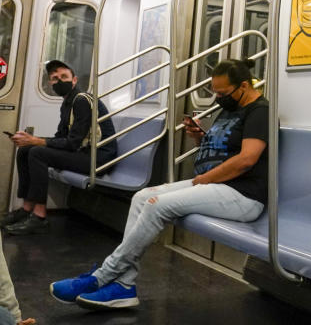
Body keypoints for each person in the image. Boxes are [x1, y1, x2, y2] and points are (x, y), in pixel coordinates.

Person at [49, 58, 268, 310]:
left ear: (243, 86)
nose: (218, 98)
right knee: (142, 196)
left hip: (242, 194)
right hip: (214, 185)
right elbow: (223, 150)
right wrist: (201, 138)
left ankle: (103, 276)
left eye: (222, 92)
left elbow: (246, 159)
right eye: (214, 92)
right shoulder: (231, 109)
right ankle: (124, 286)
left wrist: (207, 178)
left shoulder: (259, 111)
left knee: (156, 205)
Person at [2, 60, 117, 236]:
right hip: (84, 153)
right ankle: (26, 209)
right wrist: (30, 140)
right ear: (51, 84)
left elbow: (72, 143)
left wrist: (36, 141)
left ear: (75, 80)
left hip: (98, 158)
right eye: (55, 78)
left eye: (64, 76)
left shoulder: (81, 101)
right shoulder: (66, 104)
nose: (59, 81)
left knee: (38, 152)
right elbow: (60, 138)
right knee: (26, 150)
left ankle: (39, 217)